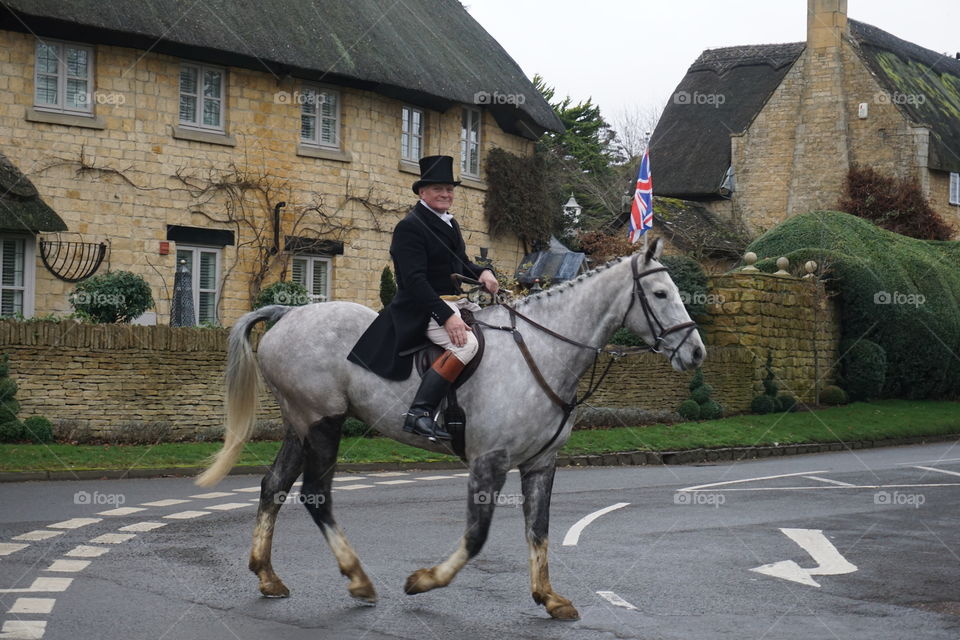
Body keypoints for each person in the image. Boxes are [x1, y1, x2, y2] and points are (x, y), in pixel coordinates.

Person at [347, 155, 499, 441]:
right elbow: (414, 281)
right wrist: (448, 316)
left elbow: (460, 263)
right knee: (467, 346)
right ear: (422, 192)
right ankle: (420, 413)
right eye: (438, 189)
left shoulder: (448, 223)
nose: (445, 194)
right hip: (421, 307)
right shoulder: (410, 227)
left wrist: (484, 272)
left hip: (452, 301)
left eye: (449, 189)